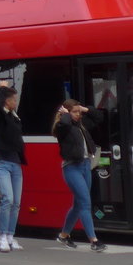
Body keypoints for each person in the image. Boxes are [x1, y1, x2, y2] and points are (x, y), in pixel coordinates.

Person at [52, 99, 107, 252]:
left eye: (78, 112)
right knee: (85, 203)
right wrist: (65, 115)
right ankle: (94, 240)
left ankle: (63, 236)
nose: (78, 115)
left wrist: (84, 109)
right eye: (74, 112)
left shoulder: (81, 126)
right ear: (66, 113)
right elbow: (64, 124)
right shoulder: (63, 127)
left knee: (78, 205)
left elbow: (99, 117)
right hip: (72, 168)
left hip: (85, 166)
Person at [0, 82, 26, 251]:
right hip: (1, 161)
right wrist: (1, 90)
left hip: (15, 162)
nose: (16, 102)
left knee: (16, 202)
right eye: (13, 100)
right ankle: (2, 236)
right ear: (7, 101)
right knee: (7, 198)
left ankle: (10, 236)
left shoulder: (13, 116)